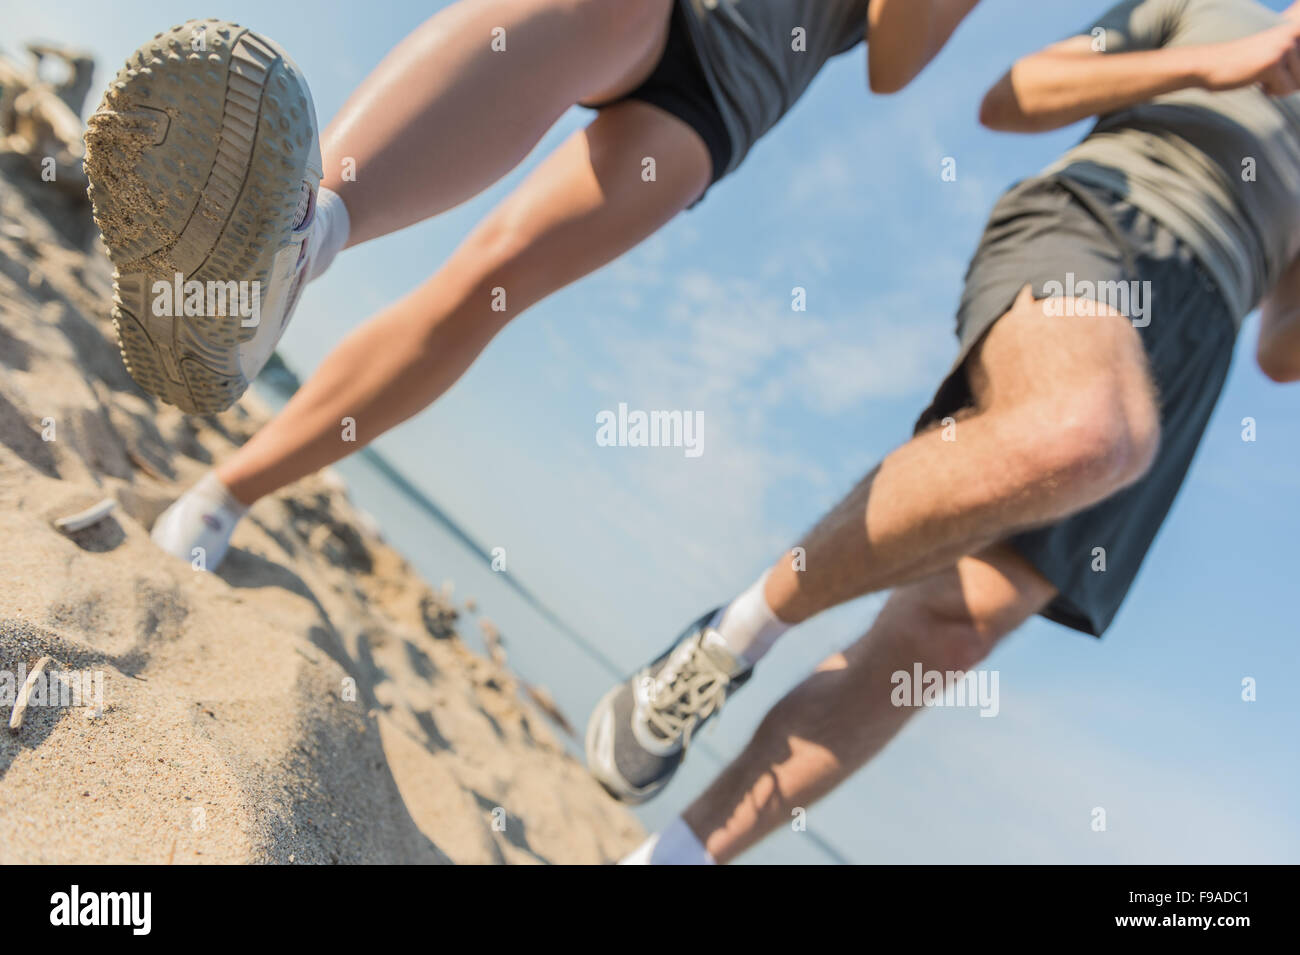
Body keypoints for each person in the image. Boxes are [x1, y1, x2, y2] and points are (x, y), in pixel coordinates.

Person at [599, 0, 1300, 863]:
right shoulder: (1206, 9)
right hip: (1103, 222)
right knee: (1089, 431)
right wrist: (1211, 65)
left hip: (1206, 335)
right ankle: (731, 639)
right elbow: (1016, 93)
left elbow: (1281, 353)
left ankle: (667, 859)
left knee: (951, 629)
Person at [81, 0, 983, 569]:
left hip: (726, 93)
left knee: (490, 284)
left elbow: (893, 60)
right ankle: (298, 236)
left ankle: (226, 489)